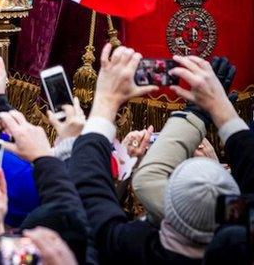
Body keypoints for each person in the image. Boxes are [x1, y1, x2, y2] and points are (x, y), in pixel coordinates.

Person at [70, 45, 243, 261]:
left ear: (164, 209)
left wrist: (106, 100)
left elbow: (88, 190)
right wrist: (218, 167)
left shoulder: (124, 246)